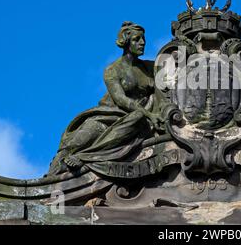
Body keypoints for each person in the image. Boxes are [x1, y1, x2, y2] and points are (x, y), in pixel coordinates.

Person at [48, 21, 162, 175]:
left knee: (137, 118)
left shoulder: (150, 67)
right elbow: (121, 99)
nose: (142, 43)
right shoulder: (112, 70)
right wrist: (149, 114)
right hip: (109, 115)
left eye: (143, 39)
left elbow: (175, 63)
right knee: (79, 140)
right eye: (137, 39)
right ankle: (54, 173)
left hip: (136, 117)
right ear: (126, 42)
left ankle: (84, 157)